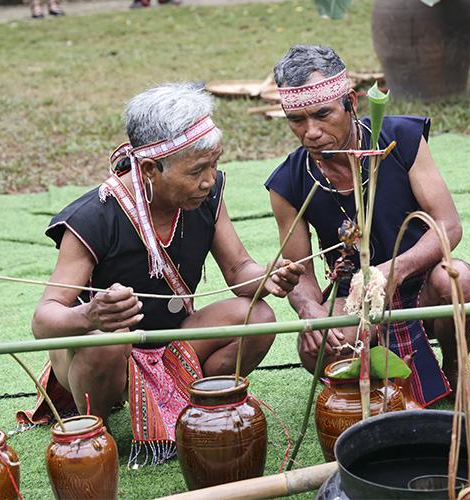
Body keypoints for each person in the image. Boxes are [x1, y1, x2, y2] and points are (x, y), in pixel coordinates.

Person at [18, 83, 304, 466]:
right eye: (197, 170)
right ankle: (95, 433)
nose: (209, 179)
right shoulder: (94, 217)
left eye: (214, 164)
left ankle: (194, 402)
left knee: (259, 317)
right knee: (107, 340)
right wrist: (88, 316)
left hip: (171, 341)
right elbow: (43, 320)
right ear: (151, 169)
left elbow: (238, 268)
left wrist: (267, 276)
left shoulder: (207, 194)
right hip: (101, 356)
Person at [265, 45, 470, 413]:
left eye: (323, 114)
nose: (311, 132)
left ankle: (457, 369)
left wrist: (393, 270)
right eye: (296, 120)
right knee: (320, 348)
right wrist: (308, 309)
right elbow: (299, 269)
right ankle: (383, 387)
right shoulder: (287, 183)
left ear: (350, 102)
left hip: (421, 280)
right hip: (356, 296)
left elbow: (448, 225)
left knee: (459, 279)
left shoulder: (401, 139)